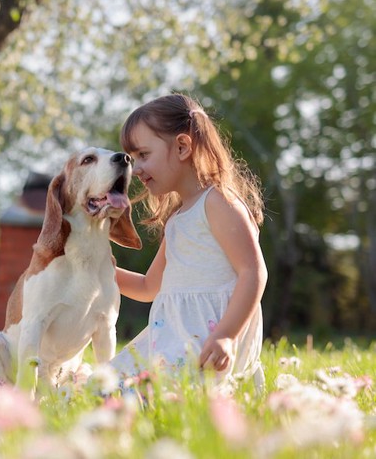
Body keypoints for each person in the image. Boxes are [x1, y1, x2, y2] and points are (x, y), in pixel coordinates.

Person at [110, 93, 267, 389]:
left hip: (208, 340)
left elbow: (253, 272)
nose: (137, 169)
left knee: (143, 393)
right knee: (100, 387)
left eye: (144, 155)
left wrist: (226, 336)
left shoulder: (218, 202)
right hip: (173, 337)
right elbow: (148, 288)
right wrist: (101, 271)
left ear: (182, 146)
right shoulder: (178, 219)